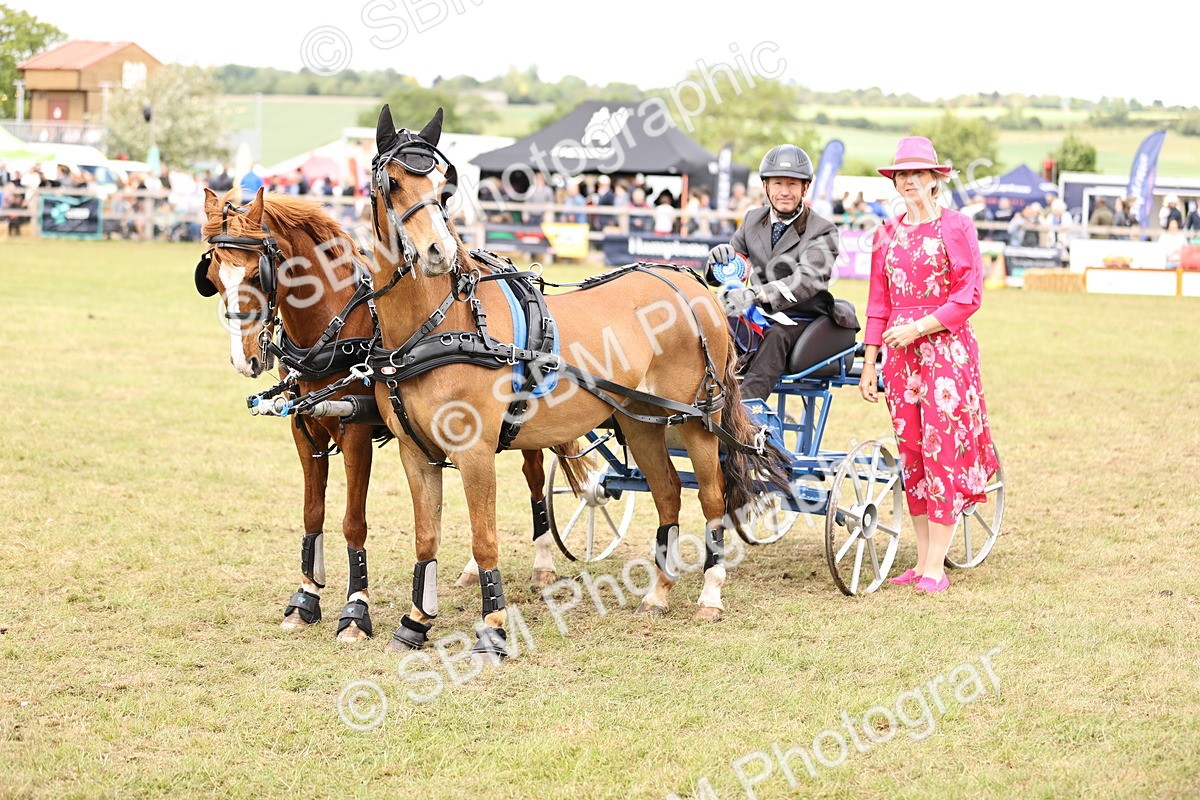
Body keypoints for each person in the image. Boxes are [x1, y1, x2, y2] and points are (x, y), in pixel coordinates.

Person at [859, 136, 999, 594]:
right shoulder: (886, 232)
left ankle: (937, 565)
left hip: (944, 349)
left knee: (941, 450)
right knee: (912, 453)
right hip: (899, 357)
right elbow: (878, 302)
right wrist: (870, 359)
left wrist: (919, 329)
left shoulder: (957, 226)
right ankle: (920, 562)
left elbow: (969, 295)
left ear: (936, 179)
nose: (909, 181)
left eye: (918, 173)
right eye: (902, 174)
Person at [705, 143, 848, 401]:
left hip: (800, 317)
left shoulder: (823, 230)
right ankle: (700, 402)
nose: (784, 191)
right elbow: (732, 268)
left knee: (774, 336)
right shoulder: (751, 220)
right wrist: (716, 263)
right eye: (778, 183)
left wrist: (757, 295)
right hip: (753, 312)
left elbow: (806, 280)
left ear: (805, 187)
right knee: (708, 324)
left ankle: (743, 417)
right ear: (766, 186)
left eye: (792, 184)